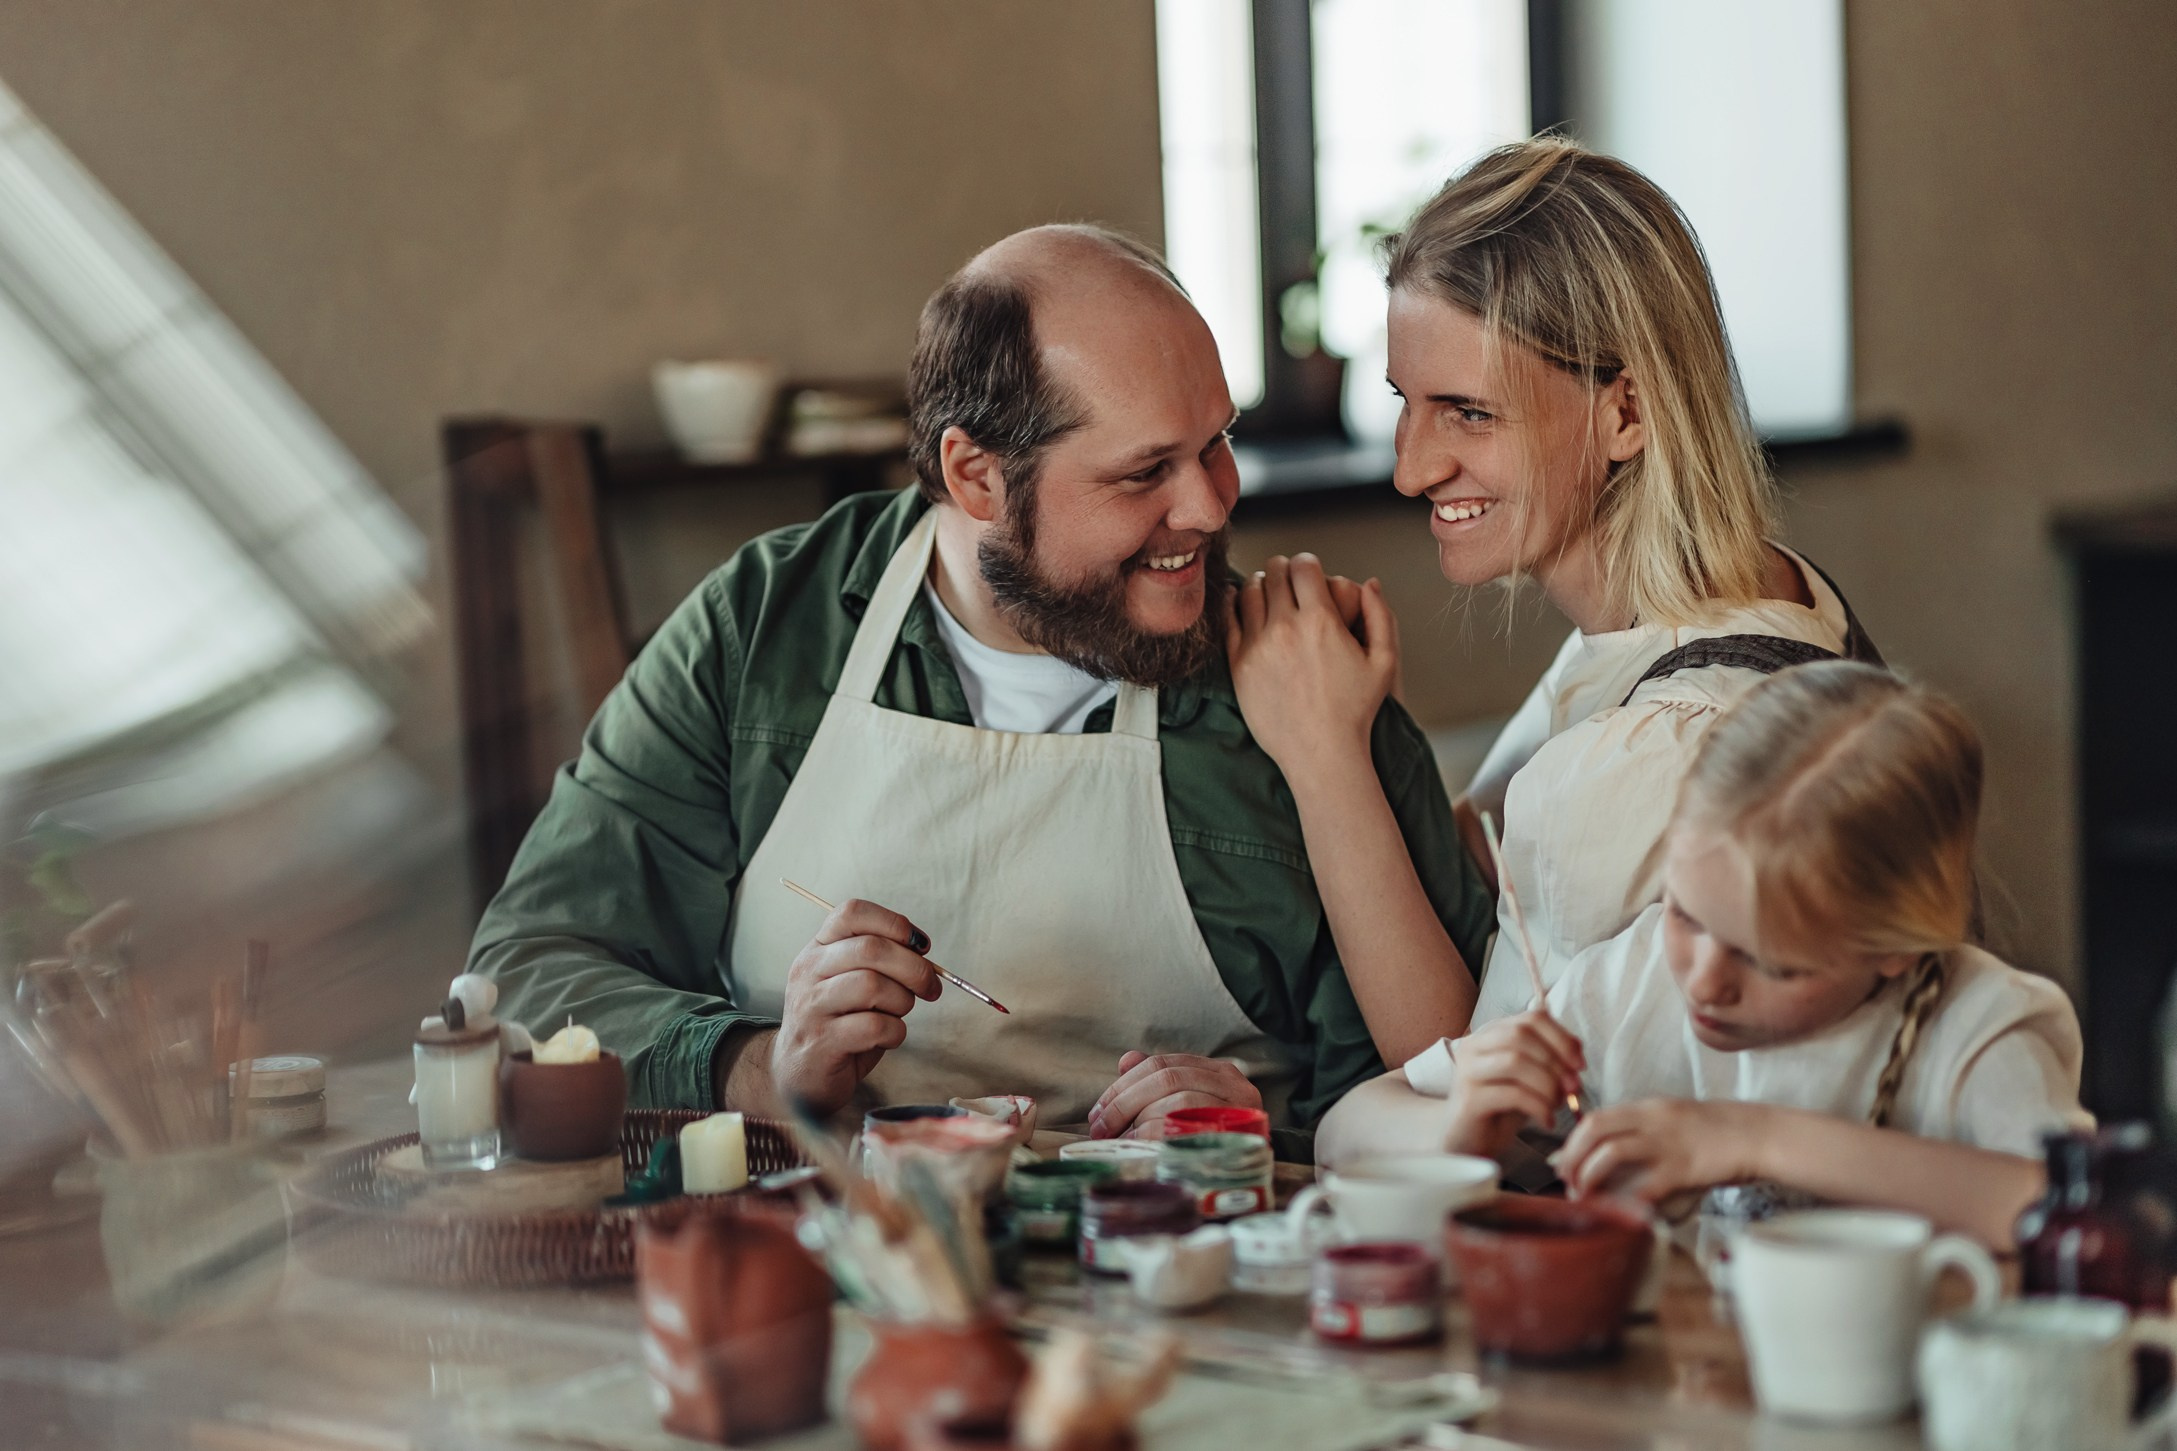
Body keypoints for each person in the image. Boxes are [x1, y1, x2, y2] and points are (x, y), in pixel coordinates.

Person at [467, 225, 1492, 1154]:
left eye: (1215, 442)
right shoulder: (762, 630)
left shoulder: (1302, 679)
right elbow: (525, 973)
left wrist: (1270, 1128)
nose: (1210, 504)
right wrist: (761, 1066)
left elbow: (1456, 1083)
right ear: (975, 477)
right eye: (1142, 474)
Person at [1227, 138, 1883, 1065]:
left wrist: (1323, 752)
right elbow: (1477, 867)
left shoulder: (1661, 745)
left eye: (1470, 412)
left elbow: (1459, 1083)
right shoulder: (1756, 589)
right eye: (1403, 401)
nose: (1412, 467)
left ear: (1628, 411)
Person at [1317, 663, 2090, 1247]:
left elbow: (2064, 1210)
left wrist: (1751, 1138)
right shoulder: (1633, 982)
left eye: (1772, 962)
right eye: (1686, 913)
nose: (1706, 981)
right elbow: (1343, 1129)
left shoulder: (1978, 1028)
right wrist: (1455, 1132)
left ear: (1894, 948)